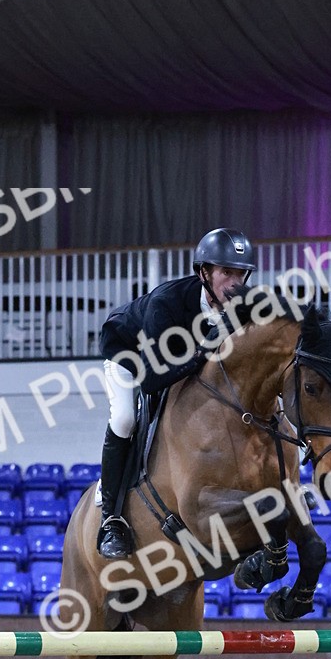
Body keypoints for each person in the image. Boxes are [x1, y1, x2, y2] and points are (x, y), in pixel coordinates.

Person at [96, 227, 256, 559]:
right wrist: (203, 352)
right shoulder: (167, 303)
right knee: (126, 419)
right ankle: (110, 518)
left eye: (241, 273)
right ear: (204, 272)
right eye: (226, 272)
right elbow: (152, 381)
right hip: (130, 352)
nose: (235, 282)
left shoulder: (244, 307)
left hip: (178, 360)